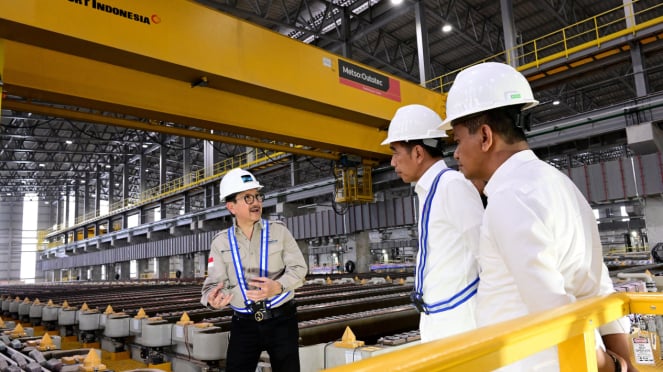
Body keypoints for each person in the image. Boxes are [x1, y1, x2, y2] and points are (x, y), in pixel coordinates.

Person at [440, 62, 634, 371]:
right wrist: (626, 361)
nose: (456, 154)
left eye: (459, 140)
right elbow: (597, 286)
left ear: (486, 137)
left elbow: (552, 308)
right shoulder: (562, 185)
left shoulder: (509, 198)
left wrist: (610, 367)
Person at [380, 104, 484, 342]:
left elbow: (487, 255)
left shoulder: (452, 186)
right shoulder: (430, 191)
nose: (393, 162)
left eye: (396, 152)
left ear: (418, 153)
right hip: (440, 321)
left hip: (460, 324)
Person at [200, 168, 308, 372]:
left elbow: (299, 268)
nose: (257, 202)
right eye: (247, 198)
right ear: (231, 206)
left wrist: (279, 286)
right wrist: (213, 300)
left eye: (258, 196)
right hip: (244, 325)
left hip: (282, 321)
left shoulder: (279, 231)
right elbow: (212, 285)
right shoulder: (220, 242)